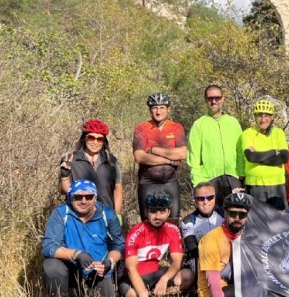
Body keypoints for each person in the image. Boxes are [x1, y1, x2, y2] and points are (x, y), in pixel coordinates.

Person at [41, 180, 123, 297]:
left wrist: (109, 262)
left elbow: (119, 245)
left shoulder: (107, 214)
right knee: (51, 266)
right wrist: (77, 255)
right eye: (78, 197)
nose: (83, 201)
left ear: (95, 198)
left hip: (97, 269)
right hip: (70, 267)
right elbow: (48, 246)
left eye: (89, 196)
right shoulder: (61, 213)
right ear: (70, 198)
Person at [120, 190, 194, 297]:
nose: (158, 216)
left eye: (162, 211)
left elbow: (177, 262)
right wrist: (142, 295)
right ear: (147, 212)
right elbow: (131, 269)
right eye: (153, 212)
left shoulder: (172, 229)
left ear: (169, 212)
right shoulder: (135, 232)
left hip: (155, 273)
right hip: (134, 276)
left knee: (187, 276)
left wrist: (164, 279)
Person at [197, 192, 252, 297]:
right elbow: (213, 284)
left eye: (242, 215)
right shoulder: (212, 239)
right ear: (225, 213)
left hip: (235, 288)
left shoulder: (246, 237)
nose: (237, 218)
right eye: (233, 213)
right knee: (244, 291)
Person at [133, 92, 187, 223]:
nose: (158, 111)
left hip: (170, 182)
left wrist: (153, 150)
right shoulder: (142, 128)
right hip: (148, 182)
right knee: (148, 223)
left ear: (168, 109)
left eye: (162, 107)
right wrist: (169, 160)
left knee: (173, 222)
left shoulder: (176, 127)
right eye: (154, 108)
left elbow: (182, 153)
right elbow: (139, 156)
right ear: (150, 110)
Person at [187, 85, 244, 201]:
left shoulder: (233, 122)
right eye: (210, 98)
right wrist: (198, 182)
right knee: (213, 217)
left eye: (217, 98)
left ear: (223, 99)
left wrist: (241, 173)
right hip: (209, 179)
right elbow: (193, 157)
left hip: (233, 178)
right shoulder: (199, 125)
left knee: (234, 216)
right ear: (205, 100)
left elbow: (240, 151)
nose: (214, 101)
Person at [58, 119, 123, 218]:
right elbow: (64, 191)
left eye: (99, 139)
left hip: (105, 216)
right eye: (91, 138)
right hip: (77, 216)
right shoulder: (70, 159)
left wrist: (117, 215)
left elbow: (117, 189)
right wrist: (64, 176)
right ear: (84, 138)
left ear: (104, 141)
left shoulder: (111, 161)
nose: (95, 142)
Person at [239, 98, 289, 211]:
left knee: (281, 219)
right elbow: (251, 157)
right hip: (255, 184)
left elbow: (284, 157)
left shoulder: (278, 133)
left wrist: (258, 157)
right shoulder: (247, 133)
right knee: (258, 220)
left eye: (267, 115)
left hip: (277, 183)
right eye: (259, 115)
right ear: (255, 117)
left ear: (272, 117)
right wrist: (273, 152)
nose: (263, 119)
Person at [180, 182, 225, 272]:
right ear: (195, 200)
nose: (205, 202)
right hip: (203, 260)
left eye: (210, 197)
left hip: (224, 257)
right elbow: (193, 250)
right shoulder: (188, 221)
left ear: (215, 197)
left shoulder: (225, 213)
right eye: (201, 199)